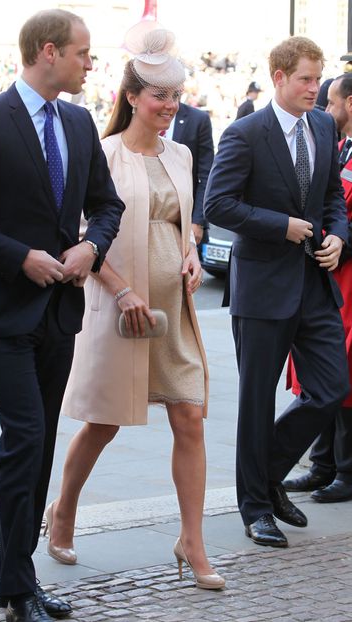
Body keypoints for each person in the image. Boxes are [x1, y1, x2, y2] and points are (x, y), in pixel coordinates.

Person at [0, 9, 124, 622]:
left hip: (59, 315)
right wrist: (21, 258)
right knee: (25, 438)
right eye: (82, 53)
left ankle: (24, 581)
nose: (90, 64)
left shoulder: (77, 120)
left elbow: (106, 203)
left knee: (39, 446)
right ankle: (15, 591)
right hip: (2, 314)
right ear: (49, 52)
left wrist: (90, 246)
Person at [44, 27, 225, 591]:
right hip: (123, 306)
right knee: (104, 424)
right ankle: (63, 509)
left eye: (175, 98)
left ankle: (191, 540)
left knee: (189, 417)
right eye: (159, 97)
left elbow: (180, 223)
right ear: (130, 97)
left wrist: (192, 256)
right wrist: (122, 287)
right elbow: (79, 236)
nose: (170, 108)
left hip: (175, 309)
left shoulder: (183, 152)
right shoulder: (103, 153)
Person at [204, 36, 349, 548]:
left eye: (319, 78)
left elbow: (333, 196)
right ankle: (257, 508)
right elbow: (218, 204)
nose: (316, 88)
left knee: (331, 387)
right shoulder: (245, 133)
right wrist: (280, 226)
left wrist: (337, 235)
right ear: (279, 78)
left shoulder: (325, 125)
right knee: (256, 400)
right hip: (262, 286)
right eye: (307, 79)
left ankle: (266, 474)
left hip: (313, 282)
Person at [284, 73, 352, 503]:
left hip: (348, 272)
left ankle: (345, 470)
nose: (327, 111)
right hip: (333, 274)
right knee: (325, 372)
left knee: (344, 372)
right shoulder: (342, 146)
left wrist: (342, 241)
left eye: (333, 102)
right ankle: (323, 464)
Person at [162, 101, 214, 245]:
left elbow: (206, 175)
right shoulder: (143, 113)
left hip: (184, 222)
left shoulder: (198, 119)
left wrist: (198, 220)